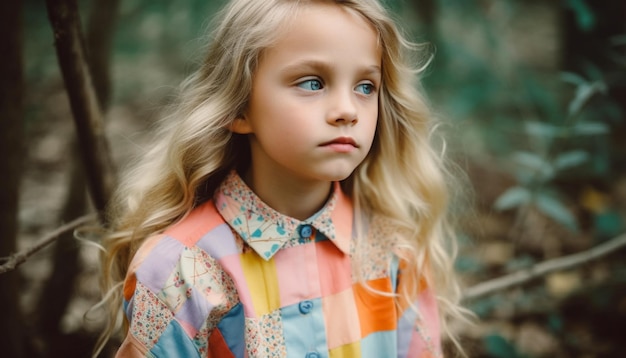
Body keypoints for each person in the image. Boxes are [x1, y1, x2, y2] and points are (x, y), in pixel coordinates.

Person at [98, 0, 468, 356]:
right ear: (239, 107)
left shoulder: (392, 250)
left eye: (365, 87)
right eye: (312, 82)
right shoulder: (181, 271)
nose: (347, 110)